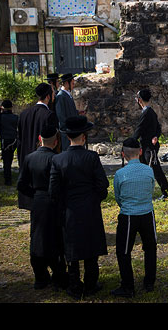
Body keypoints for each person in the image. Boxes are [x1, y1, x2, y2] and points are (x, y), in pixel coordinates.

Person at [49, 115, 108, 300]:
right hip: (89, 208)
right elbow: (102, 184)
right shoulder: (91, 157)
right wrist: (95, 199)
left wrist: (64, 205)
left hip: (69, 210)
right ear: (84, 137)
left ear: (68, 137)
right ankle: (91, 284)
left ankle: (74, 285)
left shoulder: (58, 160)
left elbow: (53, 190)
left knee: (72, 248)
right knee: (91, 246)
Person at [17, 125, 68, 290]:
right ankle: (58, 273)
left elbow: (21, 184)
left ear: (40, 139)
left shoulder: (29, 158)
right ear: (56, 141)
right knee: (56, 237)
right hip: (53, 202)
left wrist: (35, 194)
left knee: (37, 236)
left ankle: (40, 275)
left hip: (38, 201)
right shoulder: (56, 159)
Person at [111, 137, 157, 298]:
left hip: (128, 215)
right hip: (147, 213)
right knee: (150, 248)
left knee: (123, 251)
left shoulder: (120, 174)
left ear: (123, 154)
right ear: (141, 152)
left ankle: (128, 285)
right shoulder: (149, 170)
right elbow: (151, 190)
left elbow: (118, 196)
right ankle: (149, 282)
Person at [17, 83, 59, 210]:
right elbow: (54, 140)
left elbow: (19, 140)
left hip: (26, 158)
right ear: (47, 96)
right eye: (52, 93)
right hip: (43, 162)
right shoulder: (49, 115)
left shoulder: (24, 114)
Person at [132, 88, 168, 198]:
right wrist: (156, 135)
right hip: (146, 146)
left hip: (149, 148)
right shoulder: (150, 112)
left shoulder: (147, 112)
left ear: (139, 100)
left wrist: (131, 142)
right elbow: (158, 127)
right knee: (143, 171)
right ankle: (144, 193)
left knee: (156, 171)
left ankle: (167, 193)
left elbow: (139, 129)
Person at [0, 99, 18, 185]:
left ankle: (7, 179)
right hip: (14, 140)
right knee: (10, 158)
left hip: (5, 140)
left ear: (2, 107)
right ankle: (9, 176)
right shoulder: (15, 117)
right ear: (11, 108)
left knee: (6, 160)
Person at [55, 73, 80, 151]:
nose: (73, 85)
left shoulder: (68, 95)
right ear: (66, 83)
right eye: (72, 83)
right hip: (67, 133)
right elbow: (61, 116)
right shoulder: (60, 96)